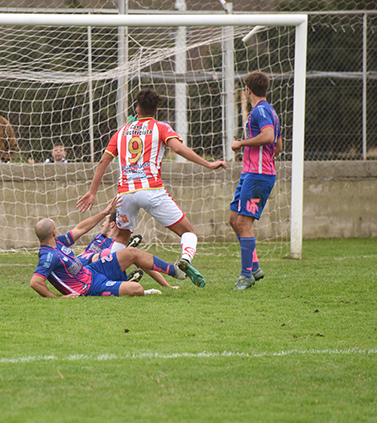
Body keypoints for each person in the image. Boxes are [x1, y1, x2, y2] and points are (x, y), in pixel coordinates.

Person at [77, 88, 227, 287]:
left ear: (136, 110)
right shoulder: (161, 127)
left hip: (125, 194)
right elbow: (178, 148)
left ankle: (107, 277)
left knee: (121, 237)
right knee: (188, 232)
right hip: (151, 190)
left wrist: (92, 191)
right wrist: (208, 164)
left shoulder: (121, 132)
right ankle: (185, 260)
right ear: (156, 111)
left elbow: (103, 161)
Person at [30, 197, 199, 298]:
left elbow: (81, 228)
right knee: (137, 289)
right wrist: (58, 298)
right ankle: (127, 282)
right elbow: (35, 282)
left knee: (131, 252)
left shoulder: (59, 242)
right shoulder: (48, 256)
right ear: (53, 232)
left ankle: (176, 270)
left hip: (93, 270)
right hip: (90, 287)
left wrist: (104, 212)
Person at [228, 72, 282, 290]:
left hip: (258, 175)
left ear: (247, 90)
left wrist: (242, 144)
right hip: (251, 173)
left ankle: (246, 275)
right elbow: (278, 147)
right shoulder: (271, 111)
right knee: (234, 219)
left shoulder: (260, 111)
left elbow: (269, 137)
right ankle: (254, 266)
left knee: (244, 223)